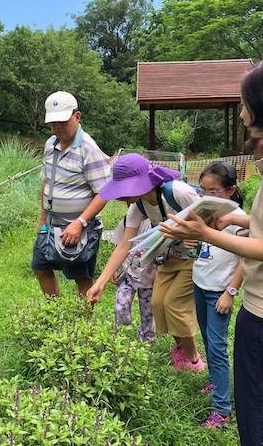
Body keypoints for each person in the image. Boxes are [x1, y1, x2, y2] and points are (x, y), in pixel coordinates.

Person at [160, 56, 263, 445]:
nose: (241, 114)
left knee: (259, 415)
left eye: (245, 102)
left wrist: (204, 232)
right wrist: (238, 221)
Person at [87, 153, 205, 372]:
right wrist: (100, 282)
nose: (121, 197)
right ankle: (180, 348)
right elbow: (124, 245)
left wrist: (194, 234)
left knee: (173, 305)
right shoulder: (139, 206)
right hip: (167, 258)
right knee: (158, 304)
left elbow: (210, 217)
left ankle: (195, 359)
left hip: (193, 257)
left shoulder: (178, 192)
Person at [31, 91, 111, 297]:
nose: (58, 128)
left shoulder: (88, 148)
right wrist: (42, 219)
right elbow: (46, 181)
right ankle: (54, 310)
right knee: (40, 267)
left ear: (77, 116)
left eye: (63, 122)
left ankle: (82, 324)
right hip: (51, 223)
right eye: (53, 123)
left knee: (81, 276)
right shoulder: (50, 144)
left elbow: (103, 193)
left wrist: (80, 223)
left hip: (79, 226)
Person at [186, 161, 245, 429]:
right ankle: (215, 381)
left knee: (218, 348)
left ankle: (222, 410)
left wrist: (230, 292)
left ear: (230, 190)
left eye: (214, 191)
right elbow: (199, 249)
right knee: (209, 340)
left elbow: (246, 259)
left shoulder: (237, 218)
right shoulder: (202, 213)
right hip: (200, 284)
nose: (206, 197)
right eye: (202, 190)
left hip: (219, 292)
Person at [110, 215, 156, 342]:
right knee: (121, 307)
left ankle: (147, 338)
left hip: (149, 276)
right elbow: (118, 246)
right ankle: (121, 337)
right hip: (127, 274)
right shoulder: (125, 222)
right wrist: (114, 268)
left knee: (148, 312)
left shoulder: (156, 222)